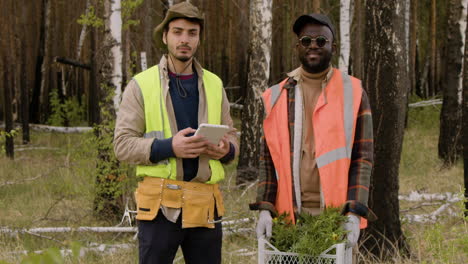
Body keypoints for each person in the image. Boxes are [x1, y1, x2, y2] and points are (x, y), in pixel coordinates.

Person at [113, 2, 238, 263]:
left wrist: (227, 150)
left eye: (192, 33)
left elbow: (232, 138)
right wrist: (169, 147)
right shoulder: (141, 85)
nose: (185, 40)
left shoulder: (214, 84)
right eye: (177, 32)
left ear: (199, 38)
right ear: (164, 36)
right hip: (160, 205)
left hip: (205, 204)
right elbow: (122, 145)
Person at [249, 13, 376, 260]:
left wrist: (354, 212)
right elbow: (268, 159)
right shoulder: (276, 96)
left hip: (335, 221)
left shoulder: (353, 92)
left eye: (321, 41)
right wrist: (265, 208)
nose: (313, 46)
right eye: (306, 40)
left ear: (333, 47)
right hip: (288, 220)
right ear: (298, 46)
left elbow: (363, 158)